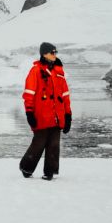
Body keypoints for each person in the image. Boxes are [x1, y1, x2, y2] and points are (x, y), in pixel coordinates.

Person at [20, 42, 72, 180]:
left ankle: (50, 172)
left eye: (55, 52)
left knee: (54, 145)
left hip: (57, 116)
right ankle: (26, 168)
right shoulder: (36, 71)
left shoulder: (59, 72)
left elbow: (65, 96)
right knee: (39, 143)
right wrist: (29, 112)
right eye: (52, 52)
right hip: (41, 115)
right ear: (44, 54)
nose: (55, 55)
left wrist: (68, 115)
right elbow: (29, 94)